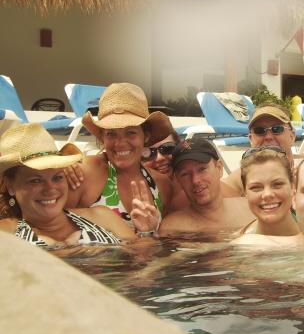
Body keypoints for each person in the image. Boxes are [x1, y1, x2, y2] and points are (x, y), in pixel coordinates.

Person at [0, 123, 142, 248]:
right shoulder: (6, 232)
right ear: (10, 185)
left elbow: (147, 260)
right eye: (36, 180)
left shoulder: (102, 215)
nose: (50, 189)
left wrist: (147, 230)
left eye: (58, 177)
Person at [65, 83, 173, 230]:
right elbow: (50, 222)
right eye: (111, 133)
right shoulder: (86, 172)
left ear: (145, 136)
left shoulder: (162, 185)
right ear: (102, 137)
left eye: (130, 132)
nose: (120, 143)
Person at [158, 137, 255, 236]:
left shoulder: (252, 208)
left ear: (219, 168)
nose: (195, 180)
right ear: (178, 180)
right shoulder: (172, 228)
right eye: (185, 174)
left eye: (202, 169)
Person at [238, 147, 299, 236]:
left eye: (277, 185)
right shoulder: (238, 245)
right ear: (245, 193)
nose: (267, 194)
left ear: (293, 187)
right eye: (256, 188)